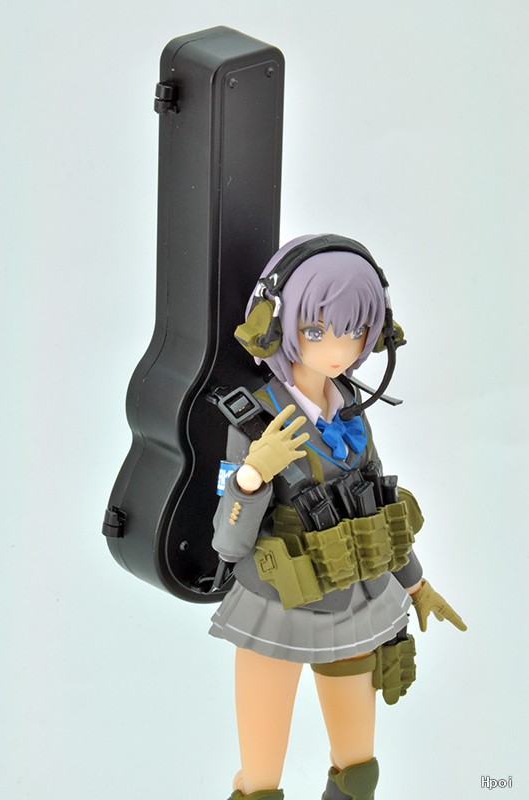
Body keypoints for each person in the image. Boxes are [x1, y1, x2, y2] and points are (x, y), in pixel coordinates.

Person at [209, 235, 466, 800]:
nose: (339, 348)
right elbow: (227, 542)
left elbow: (380, 512)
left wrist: (416, 584)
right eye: (317, 330)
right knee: (260, 782)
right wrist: (252, 475)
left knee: (358, 771)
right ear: (276, 326)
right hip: (278, 605)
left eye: (354, 331)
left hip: (355, 600)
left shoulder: (350, 411)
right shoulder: (253, 419)